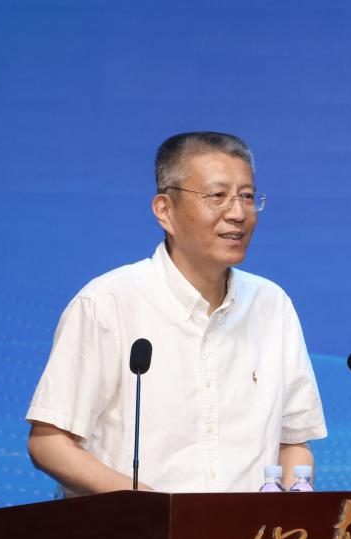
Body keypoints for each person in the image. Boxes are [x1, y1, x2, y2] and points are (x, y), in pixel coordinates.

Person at [25, 132, 327, 495]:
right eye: (217, 196)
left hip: (247, 532)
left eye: (247, 197)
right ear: (165, 211)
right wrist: (149, 507)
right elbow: (49, 442)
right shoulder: (108, 303)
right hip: (135, 529)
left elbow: (293, 442)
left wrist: (291, 503)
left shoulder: (271, 305)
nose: (237, 213)